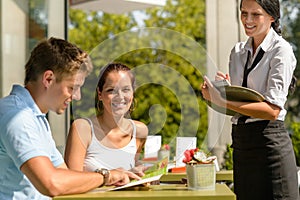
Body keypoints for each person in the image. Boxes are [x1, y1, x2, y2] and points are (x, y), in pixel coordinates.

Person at [0, 38, 140, 200]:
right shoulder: (18, 117)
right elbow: (52, 183)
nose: (77, 97)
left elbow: (65, 176)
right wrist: (106, 176)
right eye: (72, 88)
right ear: (48, 79)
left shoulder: (36, 118)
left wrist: (121, 175)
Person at [201, 0, 299, 199]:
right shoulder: (237, 52)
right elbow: (243, 103)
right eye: (244, 13)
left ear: (272, 17)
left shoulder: (281, 50)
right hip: (242, 144)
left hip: (270, 145)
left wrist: (223, 101)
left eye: (256, 15)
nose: (248, 20)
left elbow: (272, 110)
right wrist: (224, 90)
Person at [64, 62, 148, 177]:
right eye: (111, 90)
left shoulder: (139, 131)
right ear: (100, 94)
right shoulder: (83, 128)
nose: (120, 96)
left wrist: (138, 168)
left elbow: (130, 162)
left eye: (126, 89)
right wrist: (108, 176)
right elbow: (71, 180)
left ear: (133, 93)